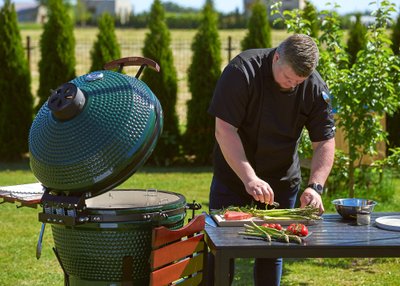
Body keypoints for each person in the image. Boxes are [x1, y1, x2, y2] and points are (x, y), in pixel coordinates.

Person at [207, 34, 336, 286]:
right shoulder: (241, 72)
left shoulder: (313, 86)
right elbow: (224, 130)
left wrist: (316, 186)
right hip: (233, 177)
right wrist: (249, 177)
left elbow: (324, 141)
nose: (292, 85)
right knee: (220, 254)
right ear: (276, 56)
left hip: (281, 180)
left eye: (299, 81)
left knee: (272, 252)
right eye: (288, 78)